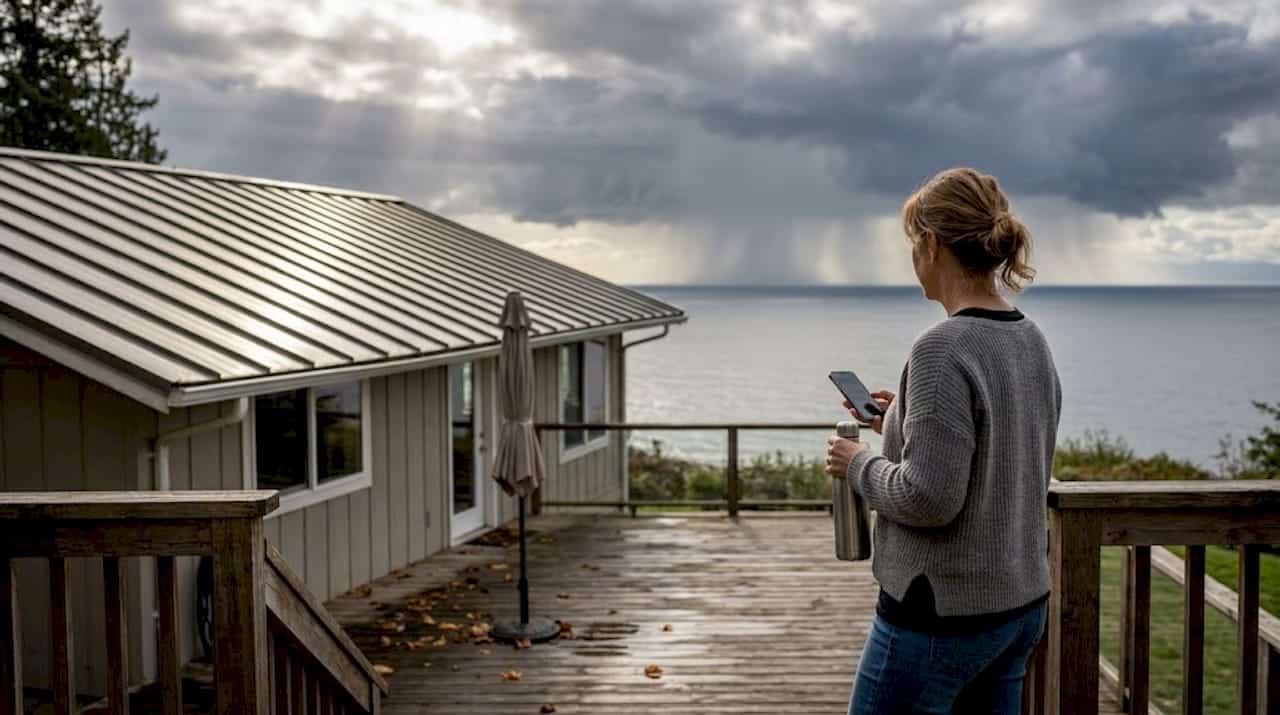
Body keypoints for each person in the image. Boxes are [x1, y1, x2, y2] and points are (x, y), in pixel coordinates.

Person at [825, 167, 1062, 714]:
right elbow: (994, 449)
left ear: (931, 244)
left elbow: (928, 499)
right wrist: (898, 423)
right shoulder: (1030, 338)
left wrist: (857, 462)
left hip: (941, 614)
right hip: (1018, 605)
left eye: (913, 242)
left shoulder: (942, 348)